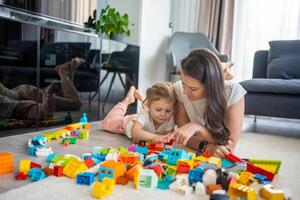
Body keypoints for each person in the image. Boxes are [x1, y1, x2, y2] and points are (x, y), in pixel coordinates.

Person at [173, 48, 246, 158]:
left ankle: (225, 68)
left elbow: (229, 145)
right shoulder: (179, 88)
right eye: (183, 83)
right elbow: (183, 137)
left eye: (193, 89)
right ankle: (223, 67)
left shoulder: (233, 92)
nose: (185, 92)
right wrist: (207, 147)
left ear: (210, 85)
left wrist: (197, 128)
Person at [0, 57, 84, 120]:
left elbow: (44, 114)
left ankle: (62, 71)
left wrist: (48, 94)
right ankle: (70, 71)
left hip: (25, 94)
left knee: (75, 103)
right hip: (22, 91)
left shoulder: (4, 104)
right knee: (66, 99)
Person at [101, 82, 176, 143]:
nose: (163, 114)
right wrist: (155, 137)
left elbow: (166, 137)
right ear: (149, 106)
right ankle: (127, 100)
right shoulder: (145, 113)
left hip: (142, 118)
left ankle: (142, 98)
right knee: (107, 123)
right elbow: (135, 134)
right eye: (158, 110)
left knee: (151, 108)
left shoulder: (170, 117)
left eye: (168, 111)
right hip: (129, 122)